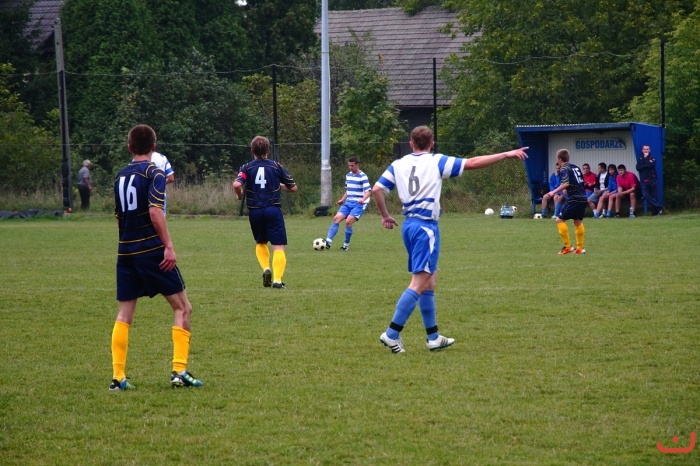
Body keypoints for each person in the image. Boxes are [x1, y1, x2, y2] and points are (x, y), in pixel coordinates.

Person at [372, 126, 528, 353]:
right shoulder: (436, 161)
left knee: (429, 281)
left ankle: (433, 337)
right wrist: (505, 154)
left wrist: (385, 215)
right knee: (419, 282)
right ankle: (391, 333)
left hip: (409, 225)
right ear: (432, 143)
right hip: (425, 228)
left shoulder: (398, 164)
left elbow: (377, 189)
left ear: (411, 143)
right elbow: (472, 163)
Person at [110, 124, 202, 391]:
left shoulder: (120, 176)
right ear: (154, 147)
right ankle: (179, 371)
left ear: (129, 147)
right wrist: (168, 246)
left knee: (124, 314)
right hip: (152, 251)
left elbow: (119, 217)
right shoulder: (154, 172)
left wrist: (128, 241)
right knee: (183, 308)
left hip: (126, 251)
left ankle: (118, 377)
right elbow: (154, 211)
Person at [233, 136, 297, 289]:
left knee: (261, 242)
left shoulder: (246, 167)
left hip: (255, 211)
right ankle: (277, 280)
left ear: (252, 150)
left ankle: (266, 268)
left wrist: (239, 195)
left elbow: (236, 184)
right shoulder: (276, 166)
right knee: (278, 246)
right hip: (273, 210)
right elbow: (293, 188)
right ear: (268, 150)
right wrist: (279, 185)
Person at [324, 156, 371, 251]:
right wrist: (342, 200)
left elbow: (368, 191)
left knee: (348, 221)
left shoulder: (363, 176)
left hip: (359, 204)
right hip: (348, 203)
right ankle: (328, 242)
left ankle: (345, 245)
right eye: (349, 165)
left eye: (352, 166)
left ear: (357, 165)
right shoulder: (348, 175)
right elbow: (348, 190)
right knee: (336, 218)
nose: (350, 167)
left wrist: (363, 199)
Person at [546, 149, 587, 255]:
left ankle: (568, 247)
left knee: (559, 220)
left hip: (574, 198)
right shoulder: (575, 167)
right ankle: (580, 248)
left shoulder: (564, 169)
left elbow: (566, 184)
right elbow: (579, 182)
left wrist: (553, 192)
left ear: (560, 159)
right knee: (577, 221)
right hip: (583, 197)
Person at [635, 144, 663, 215]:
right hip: (643, 181)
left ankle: (655, 212)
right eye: (644, 149)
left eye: (647, 149)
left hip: (652, 180)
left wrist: (646, 160)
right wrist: (646, 164)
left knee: (654, 196)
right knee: (645, 195)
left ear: (649, 150)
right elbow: (638, 168)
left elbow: (651, 165)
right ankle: (660, 207)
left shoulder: (653, 158)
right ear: (642, 150)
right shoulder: (640, 158)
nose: (646, 150)